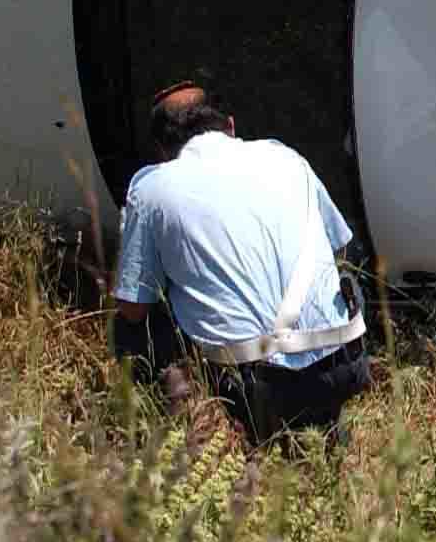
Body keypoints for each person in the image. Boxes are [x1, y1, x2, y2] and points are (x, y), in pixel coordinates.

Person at [111, 83, 371, 446]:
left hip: (254, 386)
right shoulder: (286, 157)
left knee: (131, 325)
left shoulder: (151, 188)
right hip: (346, 361)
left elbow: (133, 308)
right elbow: (340, 249)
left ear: (162, 150)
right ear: (230, 127)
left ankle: (165, 438)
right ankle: (325, 428)